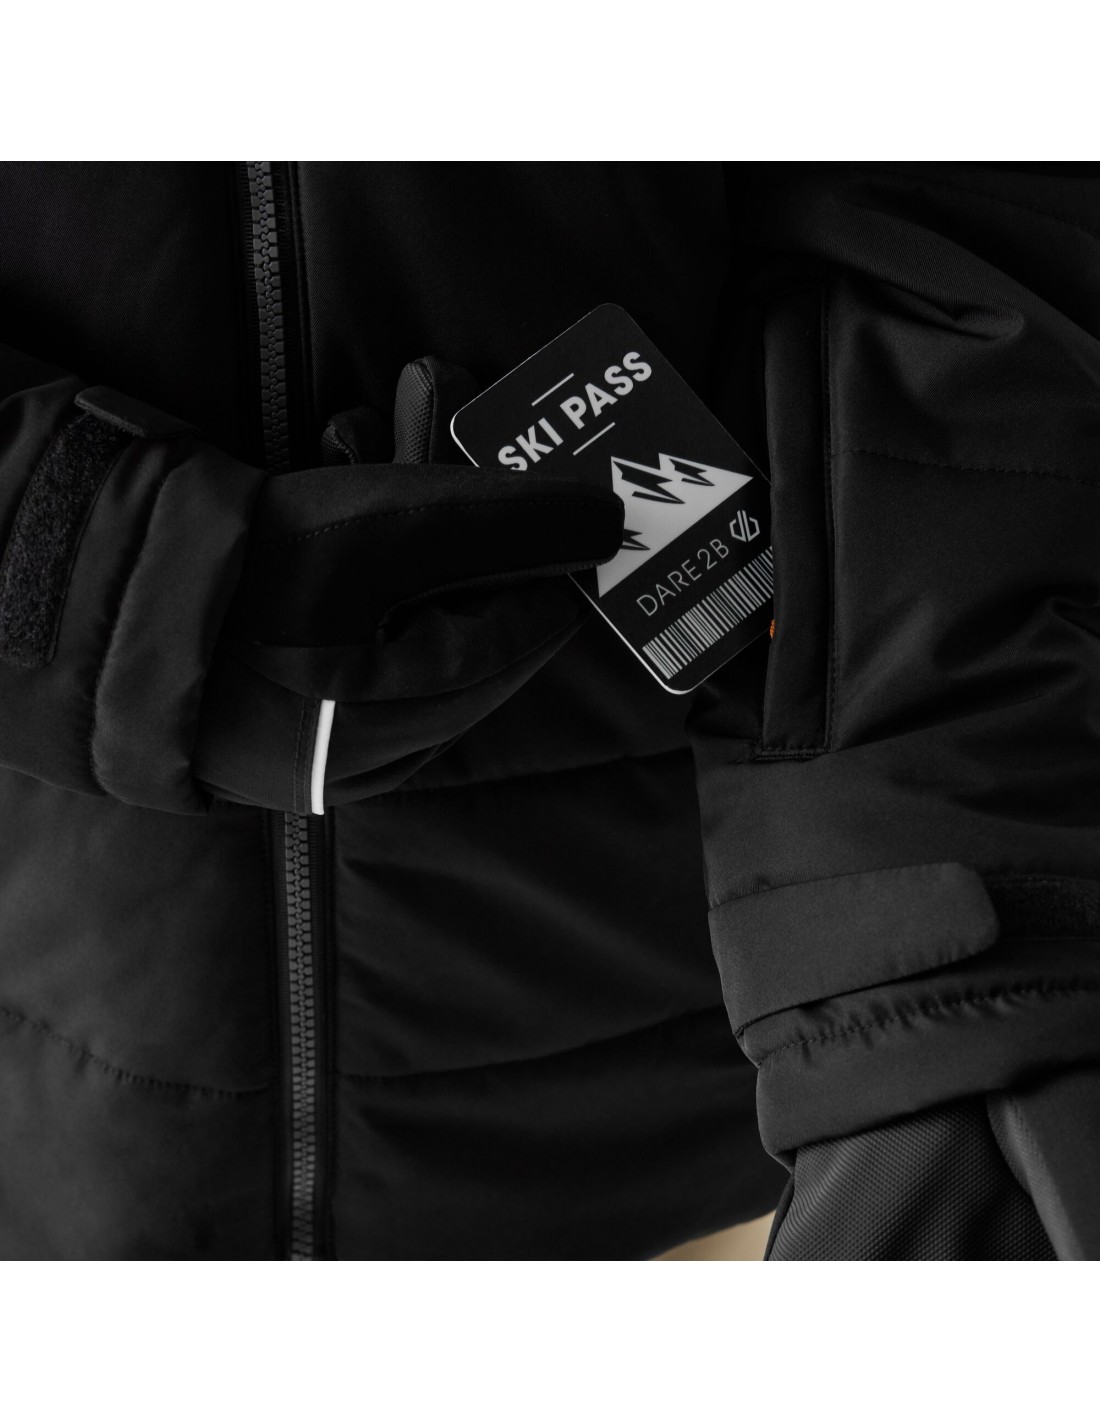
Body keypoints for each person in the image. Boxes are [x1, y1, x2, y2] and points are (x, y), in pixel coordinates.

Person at [0, 161, 1095, 1260]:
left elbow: (971, 193)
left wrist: (933, 956)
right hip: (60, 1052)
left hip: (739, 1091)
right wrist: (86, 578)